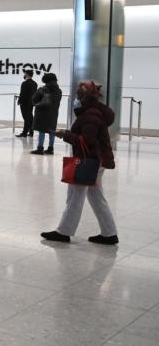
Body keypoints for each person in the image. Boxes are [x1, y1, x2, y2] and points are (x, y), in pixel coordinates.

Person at [41, 81, 118, 245]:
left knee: (75, 196)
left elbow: (87, 141)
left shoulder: (90, 115)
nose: (76, 98)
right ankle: (109, 233)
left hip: (89, 161)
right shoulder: (94, 112)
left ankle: (63, 232)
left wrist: (66, 136)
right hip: (97, 161)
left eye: (78, 95)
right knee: (96, 197)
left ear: (84, 98)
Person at [32, 72, 63, 155]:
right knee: (52, 130)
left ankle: (40, 148)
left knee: (42, 130)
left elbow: (34, 99)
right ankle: (51, 148)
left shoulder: (43, 89)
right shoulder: (59, 91)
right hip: (53, 113)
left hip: (42, 113)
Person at [16, 69, 37, 138]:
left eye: (25, 73)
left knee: (26, 118)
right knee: (30, 117)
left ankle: (24, 132)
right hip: (31, 103)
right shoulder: (35, 83)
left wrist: (19, 101)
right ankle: (31, 131)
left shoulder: (24, 83)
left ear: (27, 74)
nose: (24, 75)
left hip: (24, 103)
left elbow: (23, 94)